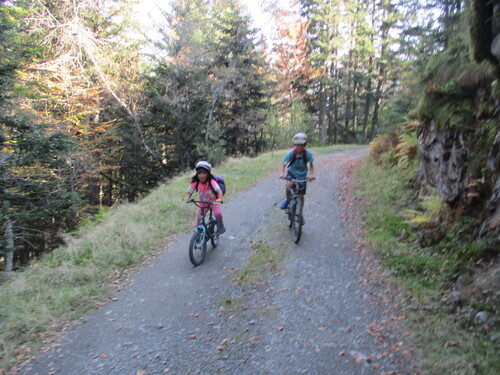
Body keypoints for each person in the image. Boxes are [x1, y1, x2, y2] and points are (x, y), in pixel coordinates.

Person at [279, 133, 315, 223]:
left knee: (301, 195)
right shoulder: (291, 153)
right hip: (292, 173)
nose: (299, 147)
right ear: (295, 145)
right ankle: (287, 200)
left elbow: (311, 166)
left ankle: (300, 214)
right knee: (289, 184)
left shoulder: (308, 154)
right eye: (297, 145)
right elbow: (283, 164)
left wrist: (310, 174)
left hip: (302, 175)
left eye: (301, 145)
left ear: (305, 145)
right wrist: (283, 174)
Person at [183, 161, 226, 234]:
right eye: (199, 173)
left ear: (208, 174)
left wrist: (219, 199)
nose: (202, 176)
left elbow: (219, 191)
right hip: (203, 203)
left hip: (214, 201)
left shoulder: (211, 181)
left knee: (218, 213)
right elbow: (190, 191)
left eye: (204, 173)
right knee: (199, 218)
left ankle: (220, 224)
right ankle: (198, 232)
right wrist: (187, 198)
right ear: (197, 174)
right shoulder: (196, 182)